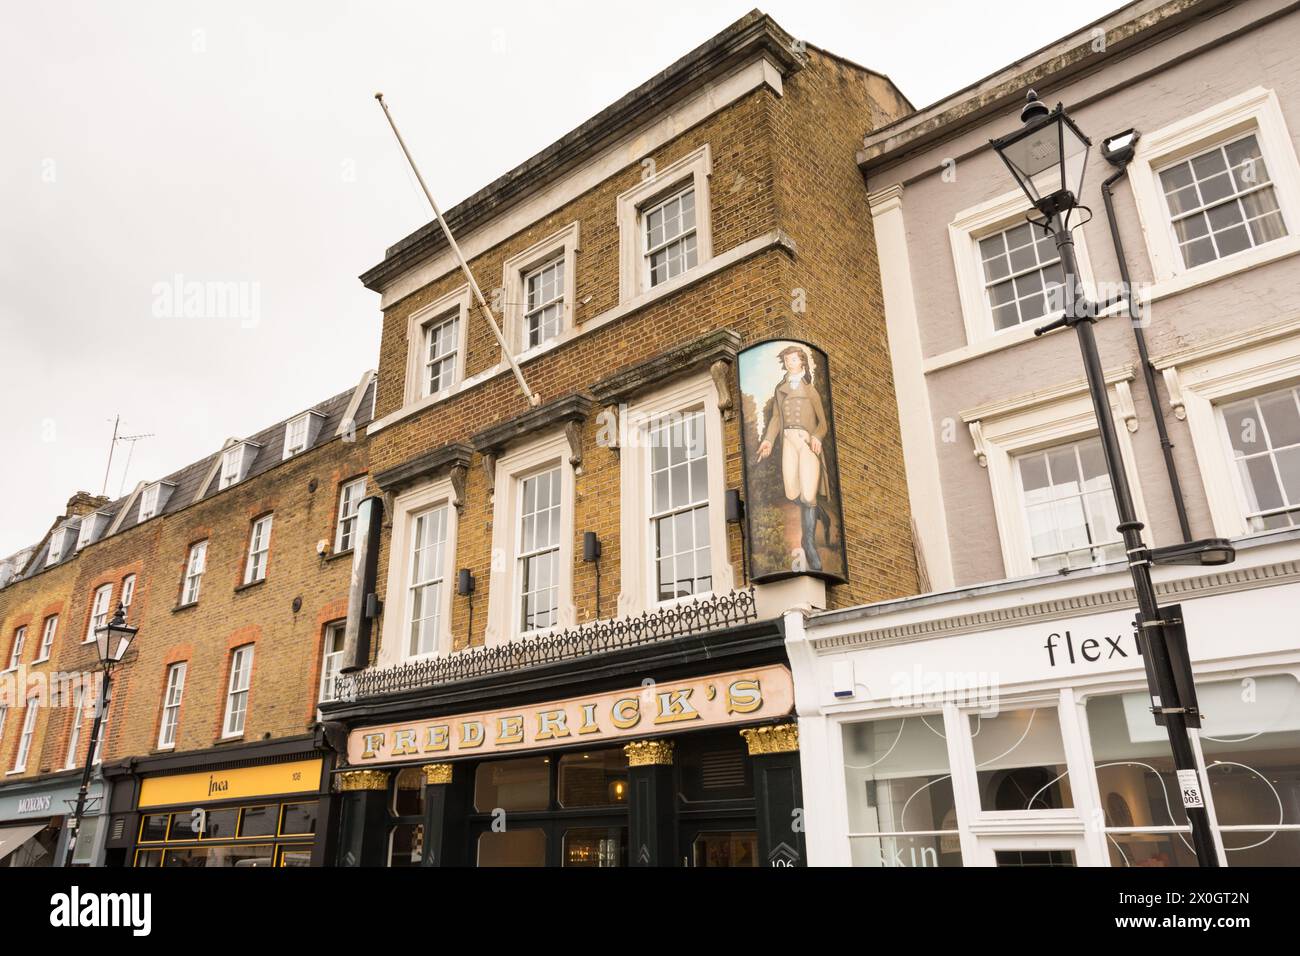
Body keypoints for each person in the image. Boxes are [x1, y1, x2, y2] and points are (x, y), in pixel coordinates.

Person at [756, 345, 831, 572]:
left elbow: (823, 423)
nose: (790, 363)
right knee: (791, 492)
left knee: (808, 494)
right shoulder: (781, 389)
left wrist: (817, 436)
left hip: (806, 442)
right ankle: (819, 513)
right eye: (787, 360)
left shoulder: (811, 391)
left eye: (794, 359)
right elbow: (776, 419)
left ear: (802, 363)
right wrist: (768, 440)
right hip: (788, 441)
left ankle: (807, 542)